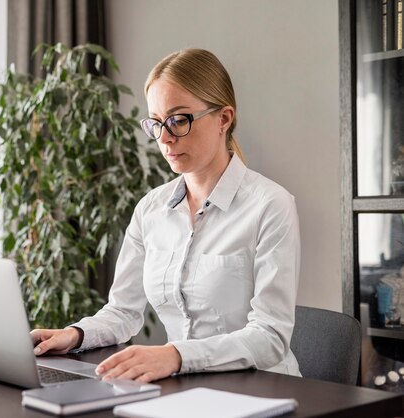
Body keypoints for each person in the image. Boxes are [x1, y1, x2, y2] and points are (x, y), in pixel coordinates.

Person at [30, 48, 301, 383]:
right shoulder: (151, 209)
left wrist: (175, 355)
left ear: (224, 118)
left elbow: (270, 338)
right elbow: (123, 312)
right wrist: (76, 335)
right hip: (187, 388)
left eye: (179, 120)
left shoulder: (270, 205)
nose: (165, 138)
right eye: (156, 123)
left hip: (263, 390)